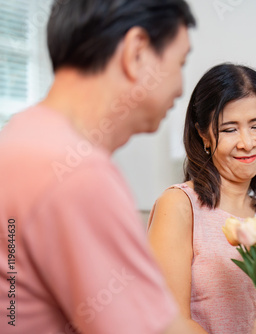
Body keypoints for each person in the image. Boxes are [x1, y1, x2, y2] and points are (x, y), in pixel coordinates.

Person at [0, 0, 196, 333]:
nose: (180, 88)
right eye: (180, 62)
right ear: (136, 52)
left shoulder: (19, 135)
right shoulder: (78, 174)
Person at [147, 63, 256, 334]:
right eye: (230, 129)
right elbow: (169, 323)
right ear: (203, 134)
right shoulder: (180, 206)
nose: (247, 142)